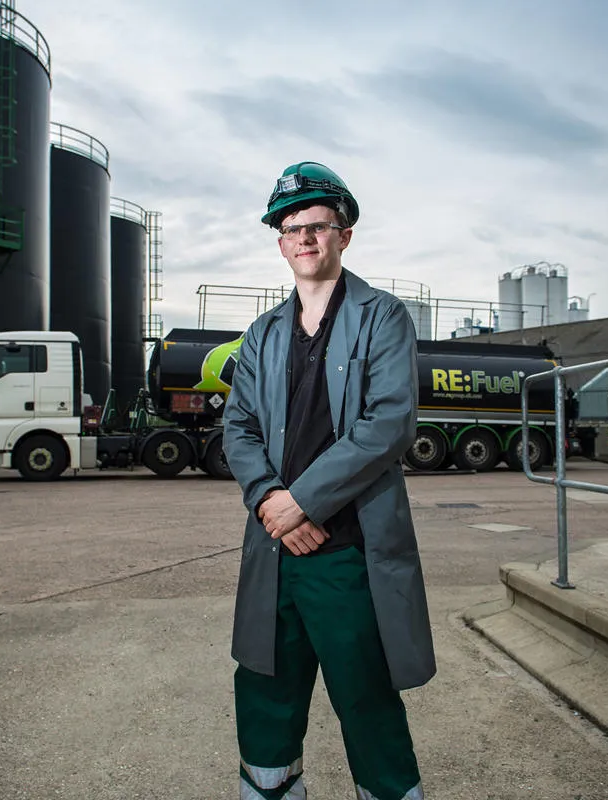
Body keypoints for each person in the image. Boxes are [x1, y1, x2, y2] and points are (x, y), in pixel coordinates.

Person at [223, 161, 436, 800]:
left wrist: (303, 503)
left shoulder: (383, 316)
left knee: (365, 695)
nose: (304, 239)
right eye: (290, 229)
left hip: (345, 550)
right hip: (275, 548)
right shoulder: (261, 335)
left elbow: (388, 423)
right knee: (264, 688)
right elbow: (239, 428)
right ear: (280, 242)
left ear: (344, 235)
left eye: (317, 225)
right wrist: (269, 502)